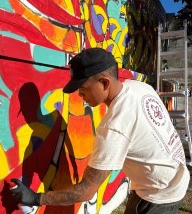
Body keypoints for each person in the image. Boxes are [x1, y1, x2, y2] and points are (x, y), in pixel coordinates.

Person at [10, 48, 190, 214]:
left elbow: (86, 191)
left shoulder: (114, 127)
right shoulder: (140, 88)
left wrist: (36, 198)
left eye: (83, 88)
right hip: (173, 180)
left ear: (104, 82)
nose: (79, 94)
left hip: (159, 197)